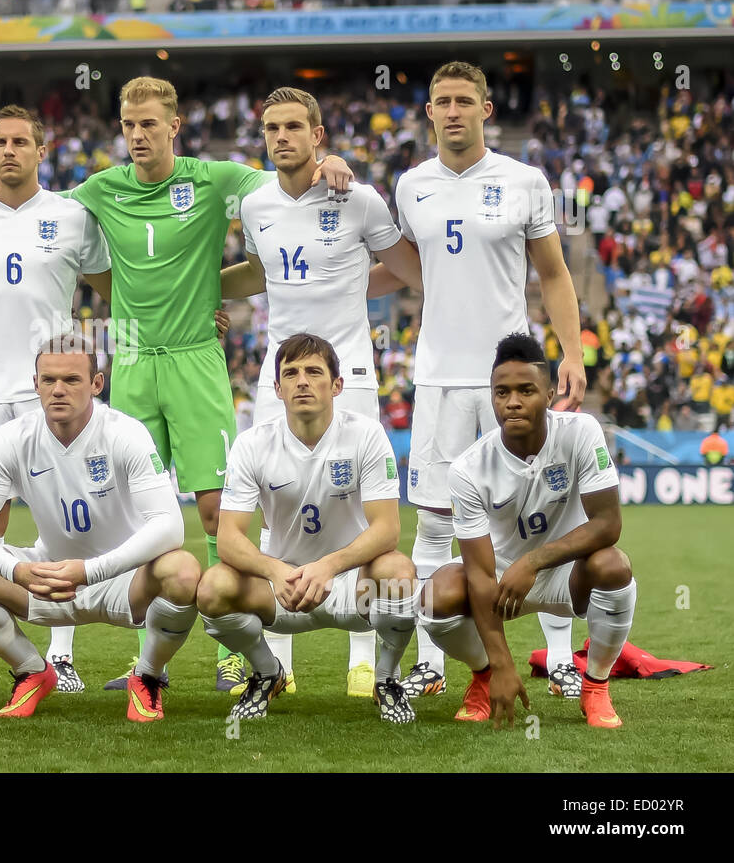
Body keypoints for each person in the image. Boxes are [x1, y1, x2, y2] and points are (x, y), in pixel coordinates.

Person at [0, 77, 353, 692]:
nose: (137, 136)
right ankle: (145, 663)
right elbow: (37, 206)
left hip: (194, 357)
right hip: (133, 357)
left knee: (220, 507)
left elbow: (283, 184)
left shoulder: (216, 180)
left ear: (174, 127)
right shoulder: (101, 189)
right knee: (126, 508)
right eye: (128, 126)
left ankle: (235, 650)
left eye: (149, 125)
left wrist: (329, 161)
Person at [392, 62, 588, 700]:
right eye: (441, 101)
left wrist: (573, 354)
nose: (452, 111)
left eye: (463, 101)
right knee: (434, 523)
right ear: (429, 113)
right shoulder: (409, 186)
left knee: (546, 518)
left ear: (485, 110)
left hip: (511, 380)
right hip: (439, 381)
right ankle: (432, 660)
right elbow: (401, 272)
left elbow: (555, 275)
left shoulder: (526, 182)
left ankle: (559, 658)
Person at [220, 86, 423, 698]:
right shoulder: (255, 205)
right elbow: (263, 272)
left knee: (356, 506)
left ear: (319, 135)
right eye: (271, 128)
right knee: (271, 509)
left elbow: (411, 270)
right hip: (275, 375)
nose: (282, 137)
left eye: (293, 127)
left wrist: (355, 278)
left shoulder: (357, 198)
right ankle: (273, 660)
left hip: (350, 376)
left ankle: (363, 657)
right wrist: (201, 293)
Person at [0, 104, 113, 692]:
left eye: (20, 141)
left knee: (60, 516)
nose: (8, 150)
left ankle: (61, 653)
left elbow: (110, 283)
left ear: (43, 150)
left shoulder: (72, 216)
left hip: (52, 384)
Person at [0, 335, 201, 721]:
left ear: (97, 384)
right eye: (48, 380)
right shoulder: (14, 438)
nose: (58, 390)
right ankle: (31, 670)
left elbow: (170, 526)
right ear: (35, 384)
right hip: (46, 577)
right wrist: (17, 570)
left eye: (72, 380)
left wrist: (90, 571)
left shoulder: (124, 433)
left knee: (182, 570)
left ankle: (146, 676)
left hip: (123, 581)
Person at [419, 334, 635, 729]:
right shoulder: (467, 469)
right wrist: (500, 666)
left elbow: (608, 524)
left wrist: (534, 561)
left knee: (614, 566)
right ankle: (482, 678)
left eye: (526, 390)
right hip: (498, 577)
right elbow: (481, 573)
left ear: (550, 393)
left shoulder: (581, 432)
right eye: (501, 392)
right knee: (436, 595)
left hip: (566, 575)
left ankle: (596, 686)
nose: (512, 402)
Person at [199, 333, 418, 723]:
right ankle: (267, 672)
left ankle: (386, 680)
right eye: (292, 373)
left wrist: (328, 567)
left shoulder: (366, 434)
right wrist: (275, 570)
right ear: (277, 388)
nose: (302, 381)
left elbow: (387, 530)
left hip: (351, 586)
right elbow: (229, 537)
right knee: (213, 588)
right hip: (282, 587)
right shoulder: (252, 444)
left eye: (314, 372)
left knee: (398, 573)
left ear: (337, 385)